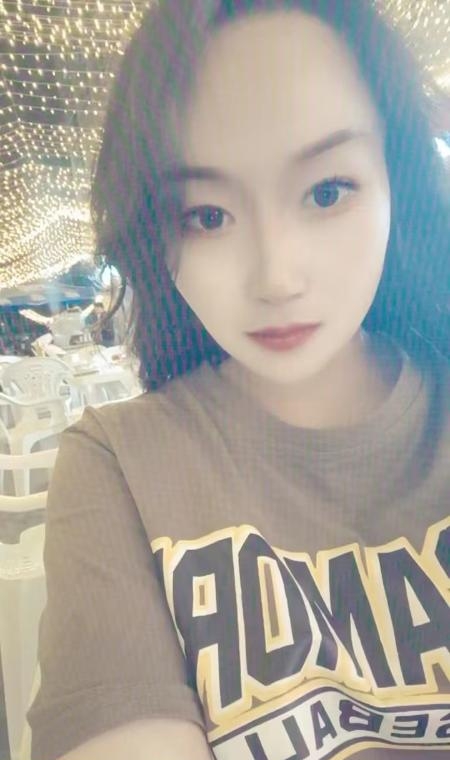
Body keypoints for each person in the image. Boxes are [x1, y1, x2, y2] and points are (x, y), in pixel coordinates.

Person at [28, 2, 449, 759]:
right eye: (207, 215)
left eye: (327, 191)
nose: (275, 276)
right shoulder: (120, 465)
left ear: (397, 181)